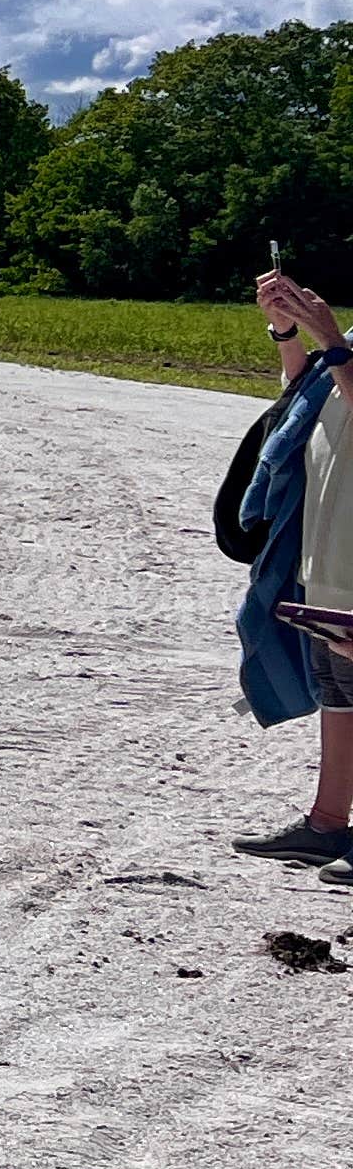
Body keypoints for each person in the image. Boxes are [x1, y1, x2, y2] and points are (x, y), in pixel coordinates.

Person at [229, 267, 353, 868]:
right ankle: (328, 824)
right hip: (329, 551)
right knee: (337, 686)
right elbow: (310, 396)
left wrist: (331, 336)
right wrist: (287, 329)